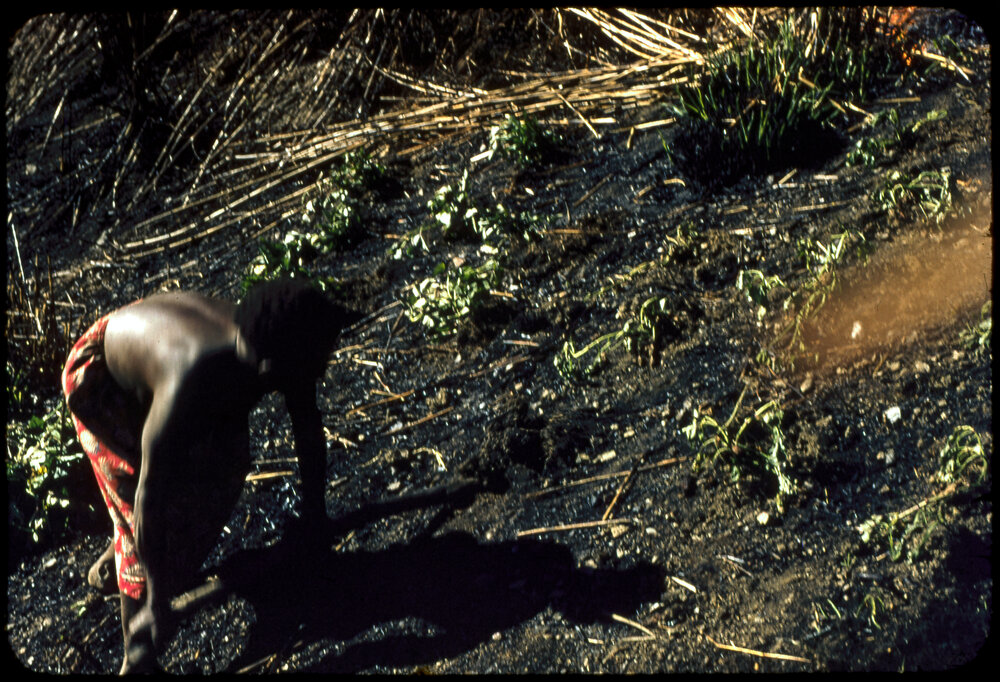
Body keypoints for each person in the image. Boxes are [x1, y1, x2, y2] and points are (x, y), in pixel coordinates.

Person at [61, 278, 356, 674]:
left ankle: (121, 561)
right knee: (137, 510)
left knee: (225, 470)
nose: (324, 366)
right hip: (100, 377)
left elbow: (307, 425)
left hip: (158, 344)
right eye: (318, 359)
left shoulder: (277, 344)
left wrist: (316, 517)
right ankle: (138, 655)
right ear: (271, 368)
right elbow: (150, 493)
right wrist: (159, 602)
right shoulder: (191, 377)